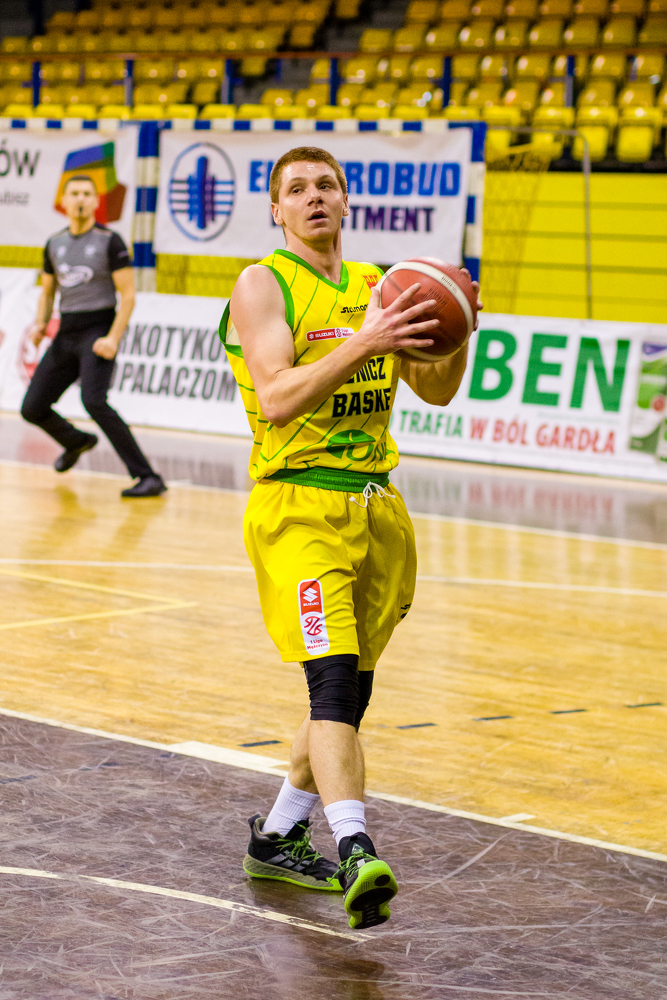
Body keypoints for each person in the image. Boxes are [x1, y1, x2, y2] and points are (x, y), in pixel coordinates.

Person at [221, 146, 480, 930]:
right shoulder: (263, 283)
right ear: (276, 209)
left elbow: (436, 389)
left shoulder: (380, 286)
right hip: (298, 508)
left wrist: (457, 323)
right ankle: (356, 848)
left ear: (345, 200)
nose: (314, 197)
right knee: (330, 684)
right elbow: (276, 397)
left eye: (326, 185)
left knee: (350, 696)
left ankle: (276, 837)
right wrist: (364, 341)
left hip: (377, 513)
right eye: (296, 188)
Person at [21, 174, 166, 498]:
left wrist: (113, 338)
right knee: (32, 408)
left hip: (98, 329)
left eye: (87, 193)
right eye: (74, 193)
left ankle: (148, 476)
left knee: (94, 401)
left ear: (96, 201)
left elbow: (128, 296)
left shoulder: (109, 241)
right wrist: (40, 324)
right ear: (64, 201)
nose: (81, 199)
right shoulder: (54, 243)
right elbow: (47, 292)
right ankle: (76, 442)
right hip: (66, 332)